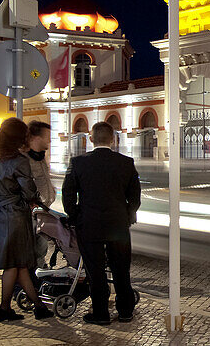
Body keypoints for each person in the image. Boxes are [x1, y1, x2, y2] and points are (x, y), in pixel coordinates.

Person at [62, 122, 141, 325]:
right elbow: (135, 196)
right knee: (121, 268)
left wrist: (76, 216)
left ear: (91, 139)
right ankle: (125, 311)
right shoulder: (126, 162)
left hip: (89, 224)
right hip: (118, 224)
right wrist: (128, 214)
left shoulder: (78, 163)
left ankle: (100, 313)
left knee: (95, 270)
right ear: (113, 139)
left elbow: (68, 195)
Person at [0, 117, 51, 322]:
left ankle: (38, 306)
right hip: (16, 216)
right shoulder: (19, 161)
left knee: (20, 264)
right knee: (14, 265)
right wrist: (39, 202)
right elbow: (29, 191)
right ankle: (4, 309)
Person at [26, 121, 55, 268]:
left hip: (43, 210)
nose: (50, 140)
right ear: (36, 138)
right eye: (47, 136)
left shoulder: (41, 157)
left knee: (42, 249)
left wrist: (51, 192)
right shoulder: (25, 159)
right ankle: (31, 281)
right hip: (30, 212)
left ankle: (38, 275)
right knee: (31, 250)